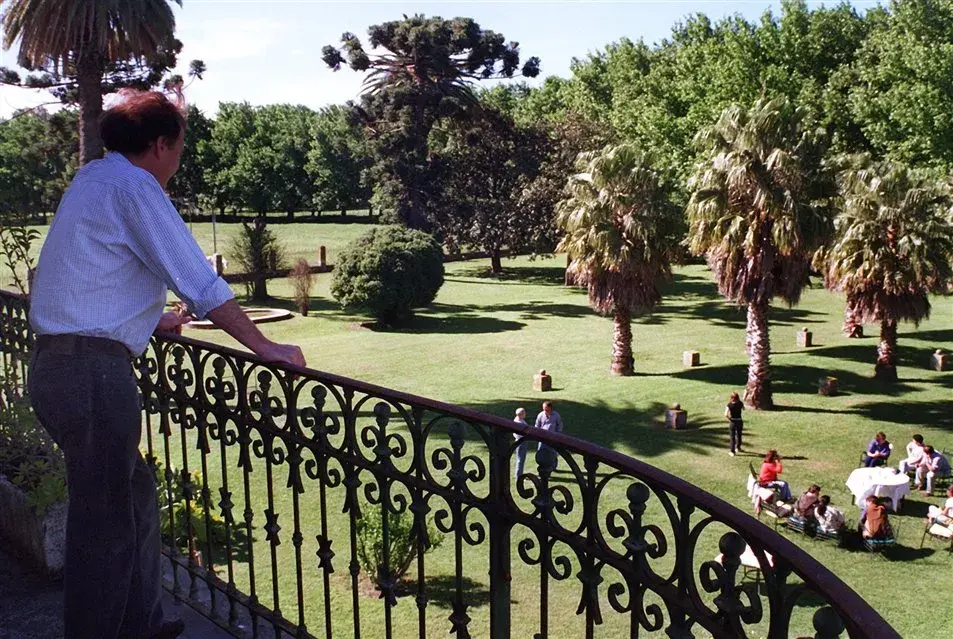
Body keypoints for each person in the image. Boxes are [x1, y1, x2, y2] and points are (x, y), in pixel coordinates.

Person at [27, 91, 306, 639]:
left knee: (132, 497)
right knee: (102, 528)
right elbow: (199, 281)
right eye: (178, 146)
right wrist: (264, 348)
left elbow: (88, 271)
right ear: (160, 145)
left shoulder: (93, 179)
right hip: (91, 378)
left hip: (60, 367)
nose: (178, 159)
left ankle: (142, 621)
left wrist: (144, 317)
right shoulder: (135, 186)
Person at [535, 401, 564, 470]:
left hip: (553, 437)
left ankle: (554, 466)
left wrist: (557, 435)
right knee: (541, 451)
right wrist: (538, 435)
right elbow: (537, 426)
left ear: (550, 408)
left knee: (553, 452)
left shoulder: (556, 415)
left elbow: (560, 425)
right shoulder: (540, 415)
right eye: (544, 409)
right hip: (543, 438)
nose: (545, 411)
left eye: (546, 409)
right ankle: (542, 465)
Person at [513, 407, 531, 479]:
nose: (525, 414)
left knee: (520, 458)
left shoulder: (517, 420)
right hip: (521, 442)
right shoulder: (520, 423)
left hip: (519, 441)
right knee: (520, 459)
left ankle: (519, 474)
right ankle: (519, 475)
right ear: (521, 414)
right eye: (524, 413)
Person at [724, 392, 744, 456]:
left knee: (732, 437)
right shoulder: (740, 403)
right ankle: (738, 448)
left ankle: (732, 451)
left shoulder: (729, 405)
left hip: (733, 421)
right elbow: (744, 408)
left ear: (731, 398)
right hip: (739, 421)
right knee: (739, 435)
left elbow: (725, 414)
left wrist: (729, 419)